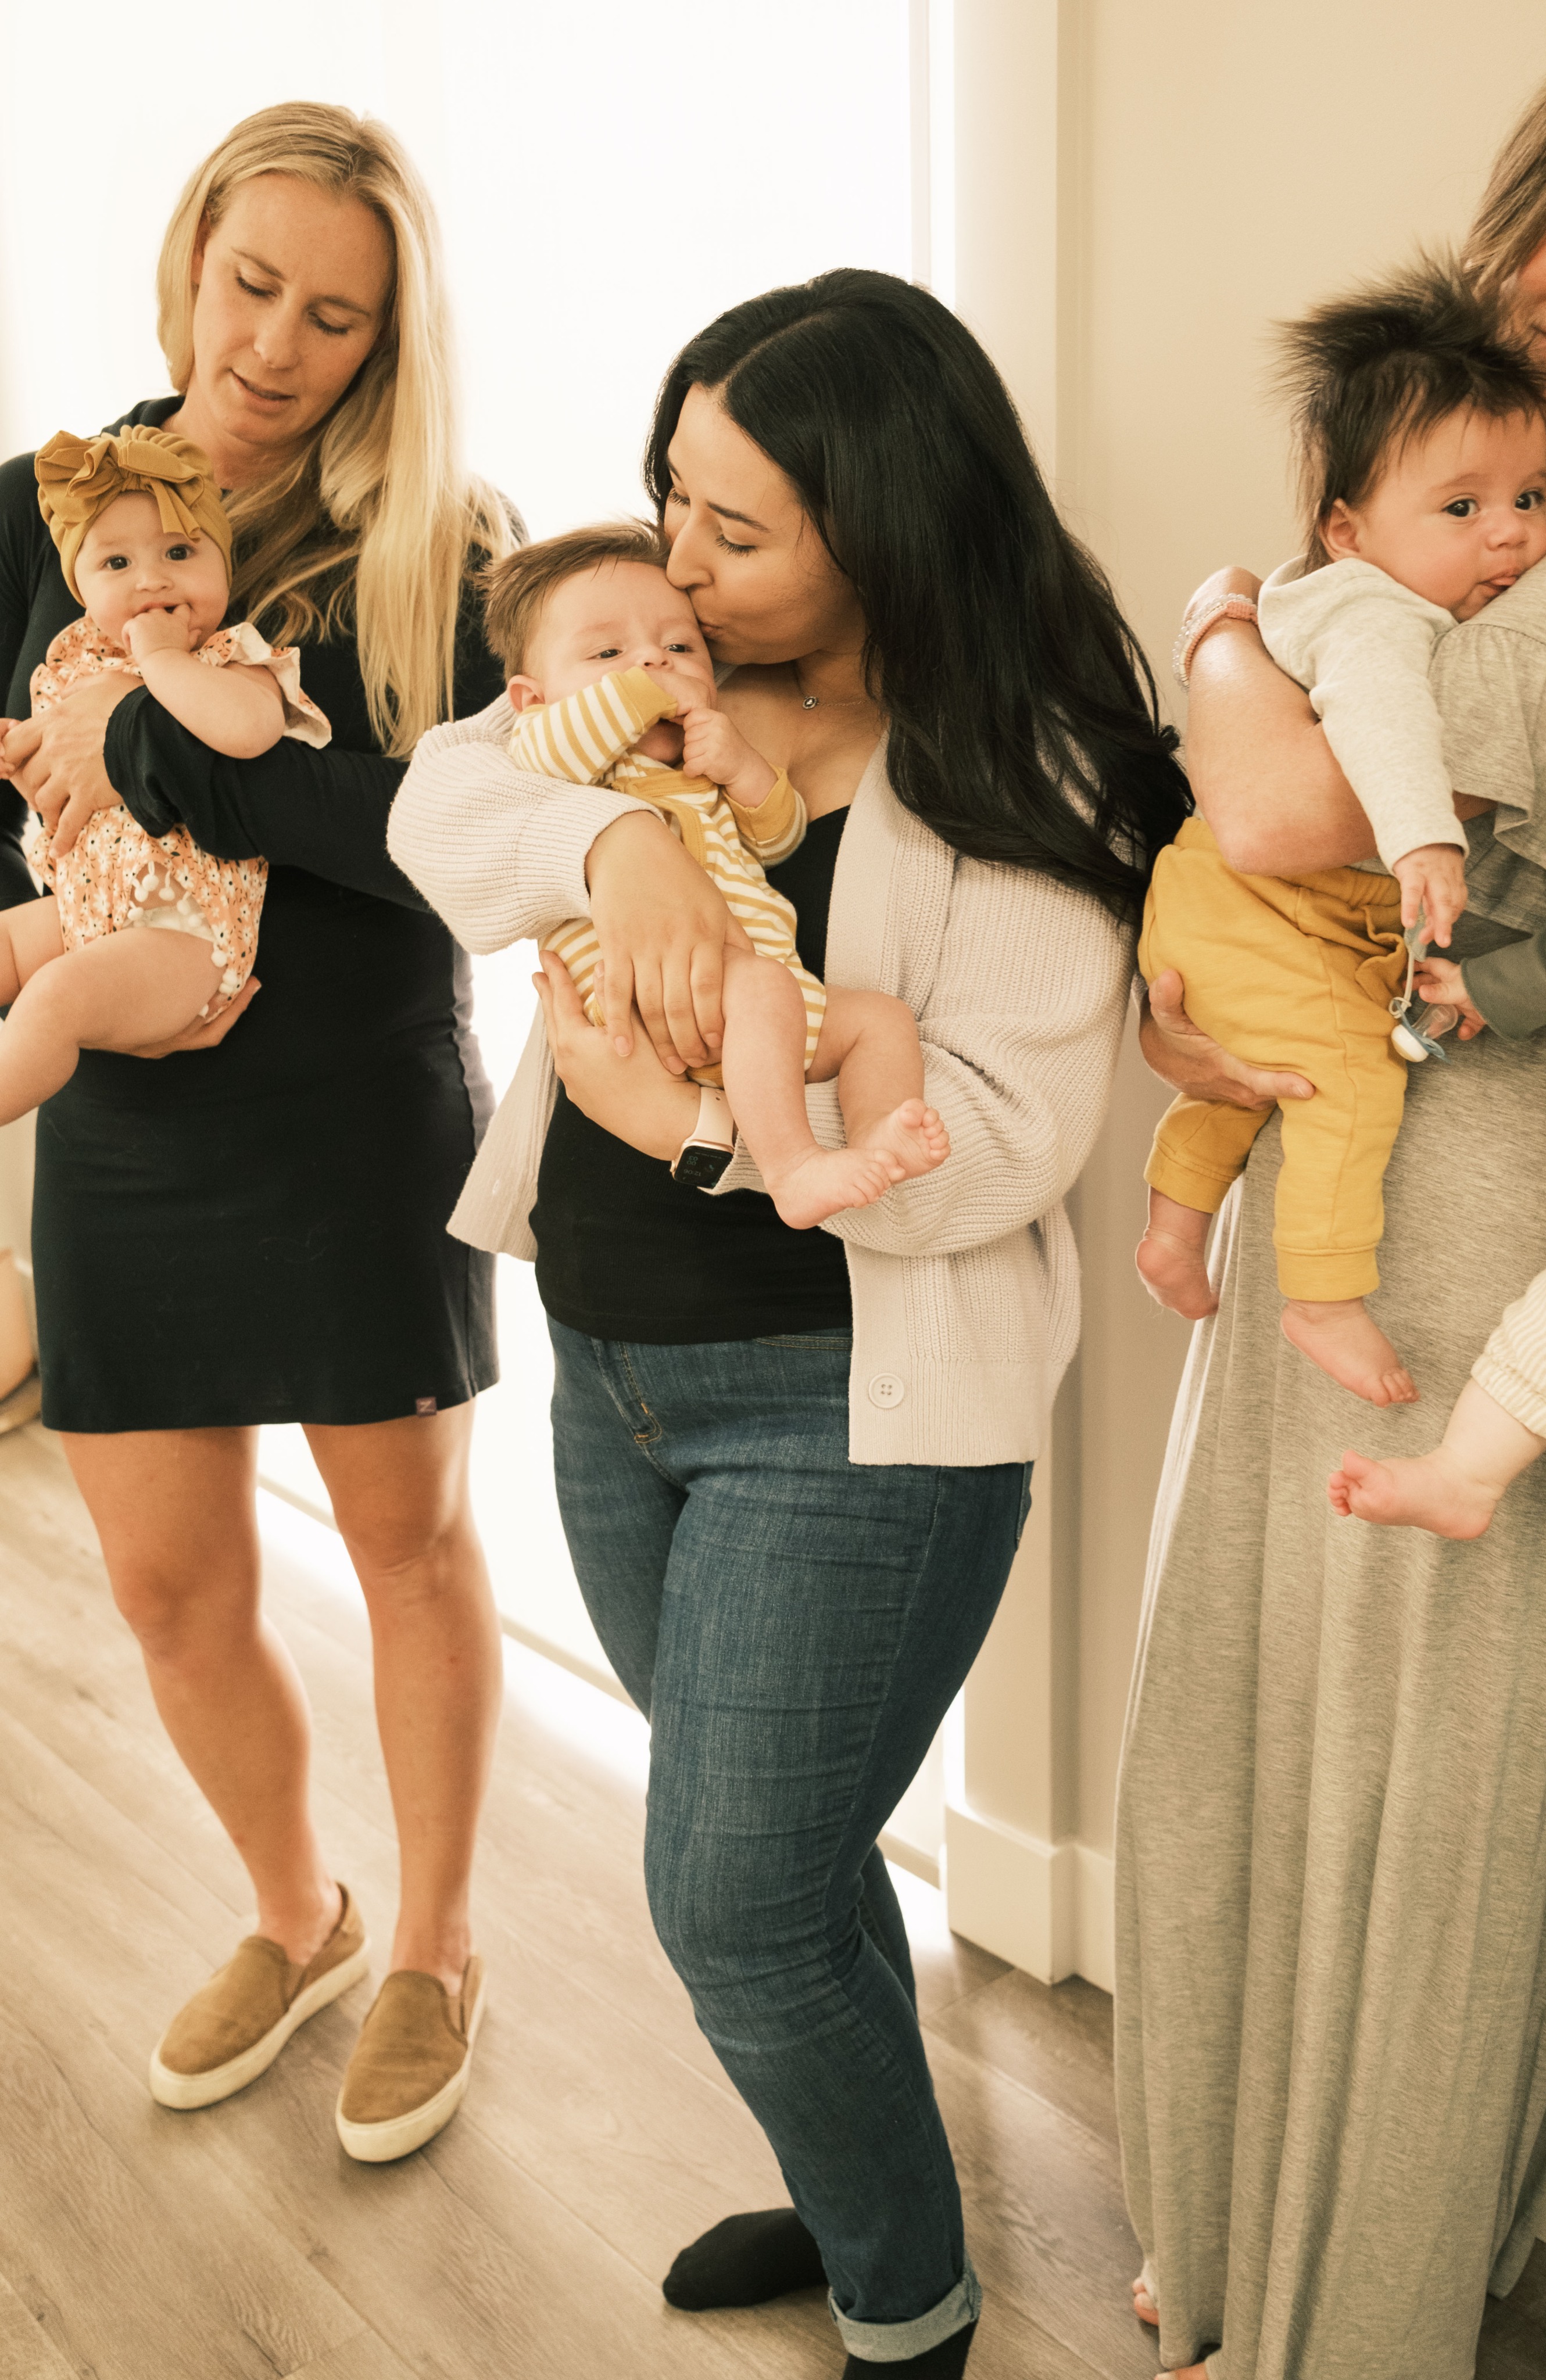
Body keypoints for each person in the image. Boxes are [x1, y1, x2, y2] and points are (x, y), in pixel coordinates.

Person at [391, 269, 1189, 2375]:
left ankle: (910, 2308)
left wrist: (716, 1132)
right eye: (673, 501)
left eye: (734, 531)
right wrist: (618, 854)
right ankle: (868, 2194)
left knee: (736, 1902)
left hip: (855, 1420)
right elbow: (436, 815)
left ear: (884, 521)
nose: (676, 562)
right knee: (789, 1863)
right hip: (621, 1386)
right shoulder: (646, 682)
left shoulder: (1014, 764)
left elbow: (1004, 1140)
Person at [1115, 37, 1546, 2380]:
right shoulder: (1463, 477)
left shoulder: (1535, 578)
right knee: (1244, 1703)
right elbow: (1232, 830)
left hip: (1487, 1195)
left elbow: (1288, 803)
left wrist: (1221, 625)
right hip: (1328, 1130)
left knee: (1423, 1776)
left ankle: (1350, 2296)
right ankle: (1211, 2211)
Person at [0, 103, 509, 2163]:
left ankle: (439, 1944)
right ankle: (301, 1915)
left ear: (390, 339)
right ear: (188, 253)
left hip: (352, 1121)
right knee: (167, 1587)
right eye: (250, 284)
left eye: (335, 315)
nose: (277, 345)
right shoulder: (50, 504)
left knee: (405, 1547)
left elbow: (438, 852)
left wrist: (146, 752)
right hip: (128, 1110)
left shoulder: (443, 551)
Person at [1136, 263, 1546, 1407]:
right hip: (1260, 903)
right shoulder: (1372, 611)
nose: (1510, 537)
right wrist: (1422, 839)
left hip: (1234, 905)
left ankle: (1174, 1230)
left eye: (1530, 498)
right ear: (1347, 529)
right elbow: (1374, 721)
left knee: (1250, 1077)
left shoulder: (1356, 593)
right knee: (1342, 1083)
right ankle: (1319, 1293)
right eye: (1463, 509)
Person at [486, 522, 950, 1227]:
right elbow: (556, 744)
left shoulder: (690, 773)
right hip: (646, 1003)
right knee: (765, 988)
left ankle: (881, 1135)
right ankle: (794, 1168)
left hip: (758, 1006)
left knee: (878, 1023)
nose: (651, 662)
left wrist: (743, 770)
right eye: (608, 651)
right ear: (531, 698)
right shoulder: (559, 755)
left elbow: (777, 840)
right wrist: (652, 680)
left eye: (680, 646)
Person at [0, 425, 331, 1121]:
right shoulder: (79, 664)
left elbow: (247, 733)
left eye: (180, 552)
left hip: (185, 935)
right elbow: (52, 761)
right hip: (84, 910)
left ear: (223, 564)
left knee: (55, 999)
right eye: (115, 564)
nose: (151, 579)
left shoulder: (236, 657)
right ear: (81, 587)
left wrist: (161, 662)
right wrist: (18, 749)